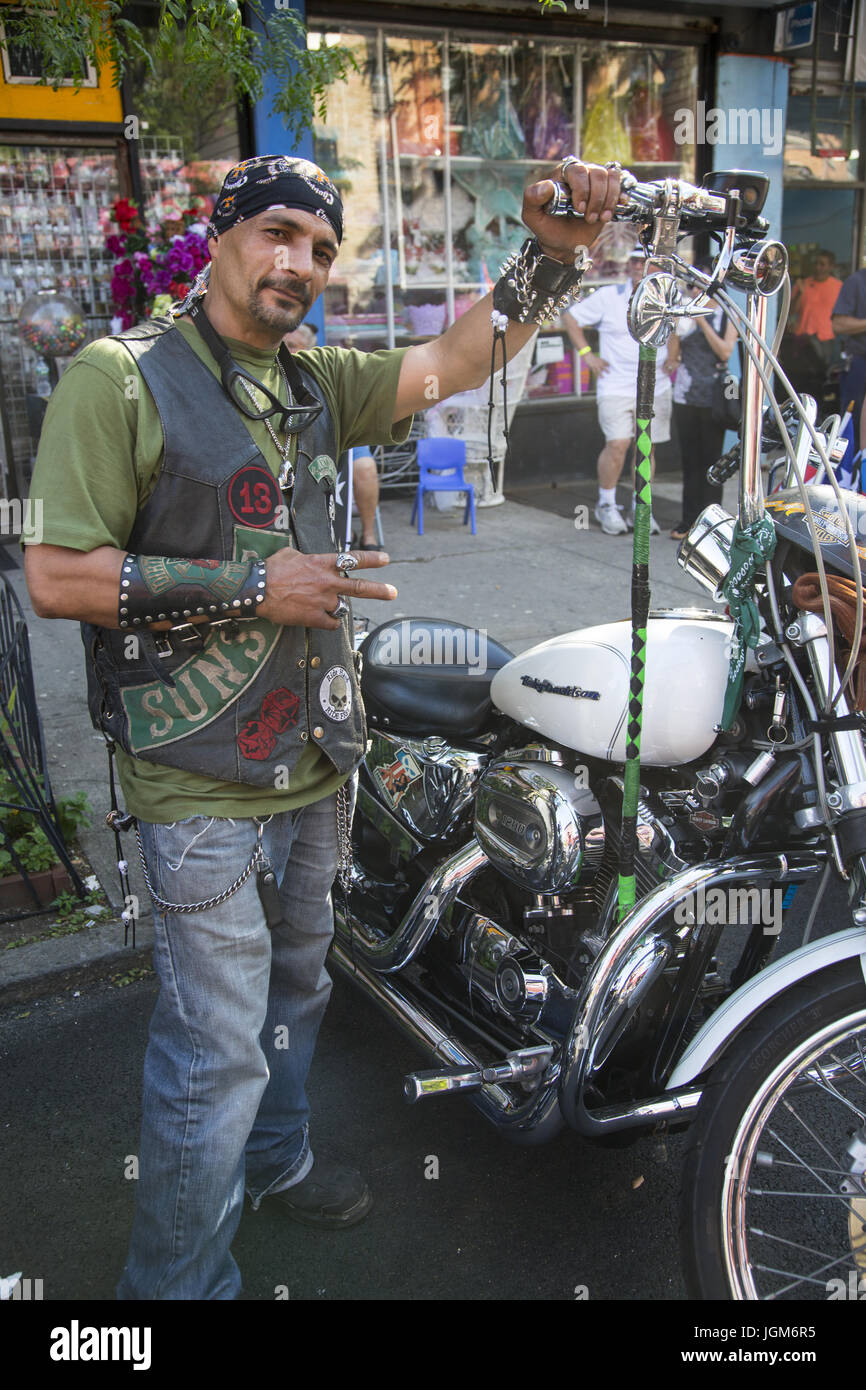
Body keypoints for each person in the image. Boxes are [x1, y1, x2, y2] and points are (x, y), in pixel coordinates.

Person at [22, 151, 622, 1301]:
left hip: (313, 762)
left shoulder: (310, 380)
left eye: (317, 247)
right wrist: (255, 588)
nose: (296, 261)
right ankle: (177, 1288)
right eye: (276, 234)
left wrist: (547, 260)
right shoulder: (122, 377)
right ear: (221, 237)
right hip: (194, 786)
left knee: (300, 993)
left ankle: (278, 1159)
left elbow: (451, 358)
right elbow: (55, 572)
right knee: (213, 1045)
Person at [562, 248, 677, 535]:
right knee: (618, 445)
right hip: (616, 384)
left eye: (644, 261)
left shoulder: (666, 297)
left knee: (646, 447)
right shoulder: (610, 296)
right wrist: (588, 354)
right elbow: (570, 317)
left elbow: (676, 329)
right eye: (635, 260)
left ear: (655, 267)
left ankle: (642, 507)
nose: (638, 265)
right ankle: (607, 504)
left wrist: (673, 356)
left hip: (655, 386)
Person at [282, 325, 382, 547]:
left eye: (291, 346)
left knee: (365, 468)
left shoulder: (322, 372)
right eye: (282, 345)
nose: (285, 351)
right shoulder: (273, 374)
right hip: (297, 444)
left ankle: (368, 533)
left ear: (309, 349)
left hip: (338, 438)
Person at [667, 270, 737, 541]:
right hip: (685, 395)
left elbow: (725, 351)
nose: (694, 294)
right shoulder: (684, 316)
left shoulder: (725, 316)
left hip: (713, 398)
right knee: (690, 461)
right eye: (691, 288)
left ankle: (710, 522)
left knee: (711, 461)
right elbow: (673, 355)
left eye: (700, 290)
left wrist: (703, 322)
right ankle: (688, 520)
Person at [784, 250, 841, 402]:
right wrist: (800, 293)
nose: (818, 267)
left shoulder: (838, 287)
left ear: (831, 267)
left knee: (824, 383)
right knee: (801, 382)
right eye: (816, 263)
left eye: (822, 264)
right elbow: (790, 312)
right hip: (803, 340)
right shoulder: (803, 284)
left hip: (826, 340)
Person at [831, 262, 866, 450]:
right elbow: (838, 324)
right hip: (860, 363)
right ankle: (854, 475)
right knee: (852, 427)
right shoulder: (857, 282)